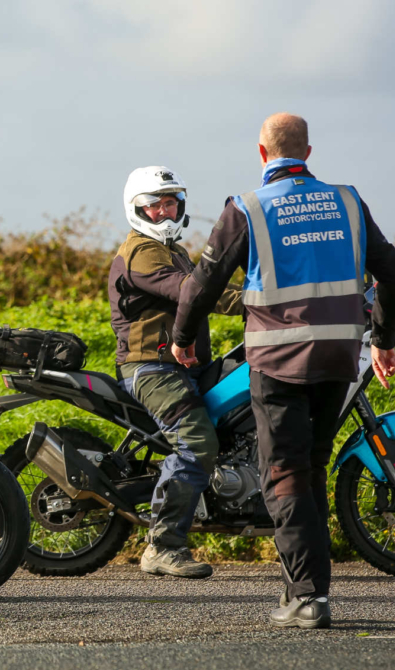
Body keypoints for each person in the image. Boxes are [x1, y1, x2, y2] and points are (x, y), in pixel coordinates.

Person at [171, 113, 395, 628]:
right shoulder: (348, 202)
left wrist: (182, 339)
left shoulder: (249, 208)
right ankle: (302, 590)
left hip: (277, 362)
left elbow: (201, 283)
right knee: (310, 470)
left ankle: (307, 598)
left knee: (283, 473)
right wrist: (385, 339)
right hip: (337, 359)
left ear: (262, 153)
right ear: (307, 153)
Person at [109, 166, 244, 579]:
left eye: (171, 203)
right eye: (155, 205)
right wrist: (261, 302)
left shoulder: (174, 251)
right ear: (138, 210)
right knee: (197, 444)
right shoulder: (142, 252)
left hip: (185, 365)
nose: (165, 212)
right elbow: (193, 291)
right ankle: (162, 546)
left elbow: (206, 282)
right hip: (151, 368)